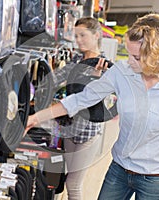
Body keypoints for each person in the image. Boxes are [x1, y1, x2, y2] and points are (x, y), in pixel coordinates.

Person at [26, 14, 159, 200]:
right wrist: (36, 118)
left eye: (137, 58)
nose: (129, 62)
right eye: (129, 54)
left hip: (155, 177)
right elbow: (82, 99)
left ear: (158, 56)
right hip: (120, 170)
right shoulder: (123, 72)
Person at [50, 17, 108, 200]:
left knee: (73, 183)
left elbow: (94, 98)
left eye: (83, 35)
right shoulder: (77, 59)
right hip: (69, 129)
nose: (79, 40)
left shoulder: (104, 64)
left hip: (88, 133)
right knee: (66, 176)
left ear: (96, 35)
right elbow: (56, 79)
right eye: (76, 36)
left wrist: (94, 77)